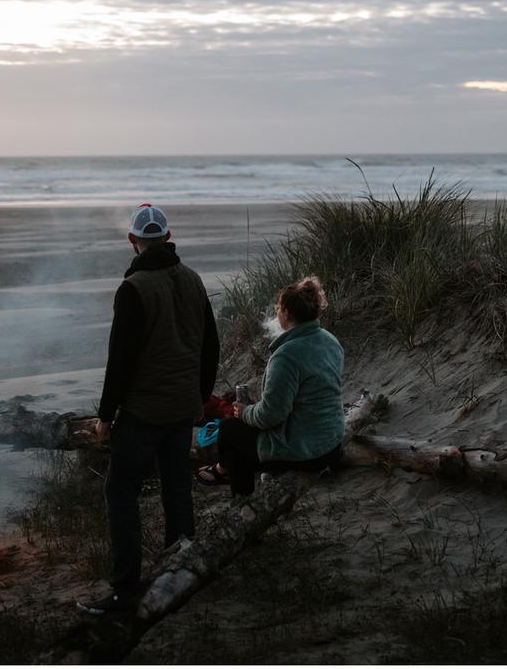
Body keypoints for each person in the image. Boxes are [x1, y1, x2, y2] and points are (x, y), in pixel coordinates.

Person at [78, 204, 221, 616]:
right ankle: (181, 574)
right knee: (177, 487)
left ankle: (125, 591)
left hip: (144, 411)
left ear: (132, 240)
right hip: (181, 408)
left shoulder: (134, 287)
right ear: (168, 235)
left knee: (120, 492)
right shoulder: (193, 279)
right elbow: (210, 346)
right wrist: (200, 397)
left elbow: (119, 360)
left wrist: (106, 415)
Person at [196, 276, 344, 497]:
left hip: (306, 451)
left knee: (230, 430)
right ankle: (227, 474)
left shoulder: (286, 356)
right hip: (332, 441)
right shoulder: (330, 340)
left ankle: (241, 496)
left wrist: (245, 412)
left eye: (278, 309)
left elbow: (271, 416)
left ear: (285, 313)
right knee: (239, 430)